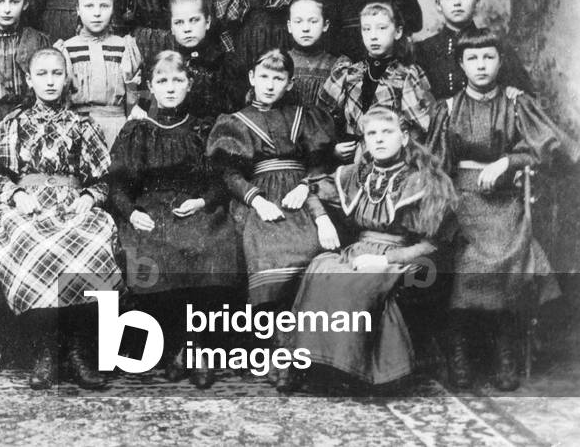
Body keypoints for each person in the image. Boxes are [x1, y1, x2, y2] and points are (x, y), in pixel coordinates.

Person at [426, 28, 579, 391]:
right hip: (461, 200)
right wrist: (447, 200)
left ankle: (504, 347)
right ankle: (460, 346)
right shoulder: (447, 108)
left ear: (500, 61)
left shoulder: (515, 103)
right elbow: (435, 166)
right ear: (461, 64)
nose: (481, 65)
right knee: (463, 255)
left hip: (504, 198)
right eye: (473, 59)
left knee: (514, 249)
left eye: (488, 57)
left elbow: (545, 147)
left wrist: (507, 162)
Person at [283, 106, 456, 392]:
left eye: (387, 132)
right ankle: (315, 365)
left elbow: (433, 243)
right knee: (322, 268)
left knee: (350, 283)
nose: (379, 139)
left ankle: (351, 372)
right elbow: (312, 190)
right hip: (359, 250)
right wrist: (323, 219)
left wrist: (386, 259)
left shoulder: (423, 180)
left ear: (403, 137)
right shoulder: (354, 175)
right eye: (371, 133)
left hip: (404, 256)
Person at [0, 48, 122, 390]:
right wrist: (16, 195)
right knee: (34, 245)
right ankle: (46, 350)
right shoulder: (13, 123)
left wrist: (90, 198)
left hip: (72, 204)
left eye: (56, 74)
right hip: (28, 206)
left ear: (66, 79)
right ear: (29, 80)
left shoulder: (82, 125)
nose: (49, 81)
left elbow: (102, 178)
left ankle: (76, 350)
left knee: (92, 242)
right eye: (41, 74)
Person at [109, 51, 239, 389]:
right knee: (154, 251)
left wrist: (202, 201)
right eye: (162, 81)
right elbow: (119, 186)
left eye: (177, 80)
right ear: (150, 86)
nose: (170, 88)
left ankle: (198, 348)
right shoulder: (138, 130)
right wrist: (132, 213)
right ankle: (172, 346)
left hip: (194, 207)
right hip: (150, 209)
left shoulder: (201, 128)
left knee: (213, 245)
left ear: (189, 83)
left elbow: (219, 180)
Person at [207, 49, 339, 339]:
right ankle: (277, 338)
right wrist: (257, 200)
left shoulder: (303, 116)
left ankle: (302, 335)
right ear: (252, 78)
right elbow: (229, 174)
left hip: (300, 193)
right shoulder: (238, 121)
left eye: (278, 78)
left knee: (312, 246)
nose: (269, 85)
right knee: (266, 243)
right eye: (264, 77)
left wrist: (306, 186)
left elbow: (318, 163)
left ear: (290, 83)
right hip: (258, 195)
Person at [319, 1, 434, 163]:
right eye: (366, 29)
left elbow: (423, 126)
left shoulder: (406, 74)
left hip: (395, 157)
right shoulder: (348, 73)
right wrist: (333, 147)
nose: (373, 35)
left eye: (382, 28)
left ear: (398, 32)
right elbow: (321, 117)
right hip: (354, 159)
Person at [415, 0, 534, 99]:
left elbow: (525, 93)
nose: (457, 3)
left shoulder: (495, 44)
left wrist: (514, 91)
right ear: (438, 4)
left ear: (477, 0)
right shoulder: (423, 50)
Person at [55, 0, 142, 147]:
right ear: (78, 10)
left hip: (117, 127)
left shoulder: (125, 47)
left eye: (104, 6)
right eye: (89, 6)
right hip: (77, 129)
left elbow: (134, 95)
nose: (97, 13)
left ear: (112, 9)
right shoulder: (66, 49)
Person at [167, 0, 245, 138]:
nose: (187, 29)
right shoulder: (167, 65)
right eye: (179, 22)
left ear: (208, 22)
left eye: (194, 20)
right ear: (171, 27)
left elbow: (236, 114)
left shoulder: (226, 64)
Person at [287, 0, 340, 108]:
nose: (305, 28)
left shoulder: (337, 66)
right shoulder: (279, 62)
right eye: (298, 21)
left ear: (325, 25)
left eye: (313, 21)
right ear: (289, 26)